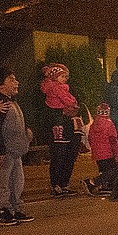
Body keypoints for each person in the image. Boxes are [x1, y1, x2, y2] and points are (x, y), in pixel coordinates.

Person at [0, 68, 34, 225]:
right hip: (2, 152)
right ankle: (1, 211)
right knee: (2, 183)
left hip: (13, 152)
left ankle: (14, 208)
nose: (16, 82)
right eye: (11, 79)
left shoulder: (10, 102)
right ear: (0, 85)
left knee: (16, 182)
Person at [40, 62, 82, 196]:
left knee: (69, 155)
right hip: (59, 125)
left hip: (67, 124)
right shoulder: (55, 89)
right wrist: (72, 105)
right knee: (59, 155)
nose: (65, 79)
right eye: (62, 76)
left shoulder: (64, 88)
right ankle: (57, 184)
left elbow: (71, 99)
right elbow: (68, 101)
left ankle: (64, 184)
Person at [83, 102, 118, 195]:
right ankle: (92, 182)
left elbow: (90, 138)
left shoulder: (93, 125)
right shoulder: (109, 124)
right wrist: (117, 153)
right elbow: (113, 140)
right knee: (113, 170)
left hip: (97, 153)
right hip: (108, 152)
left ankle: (104, 186)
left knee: (103, 170)